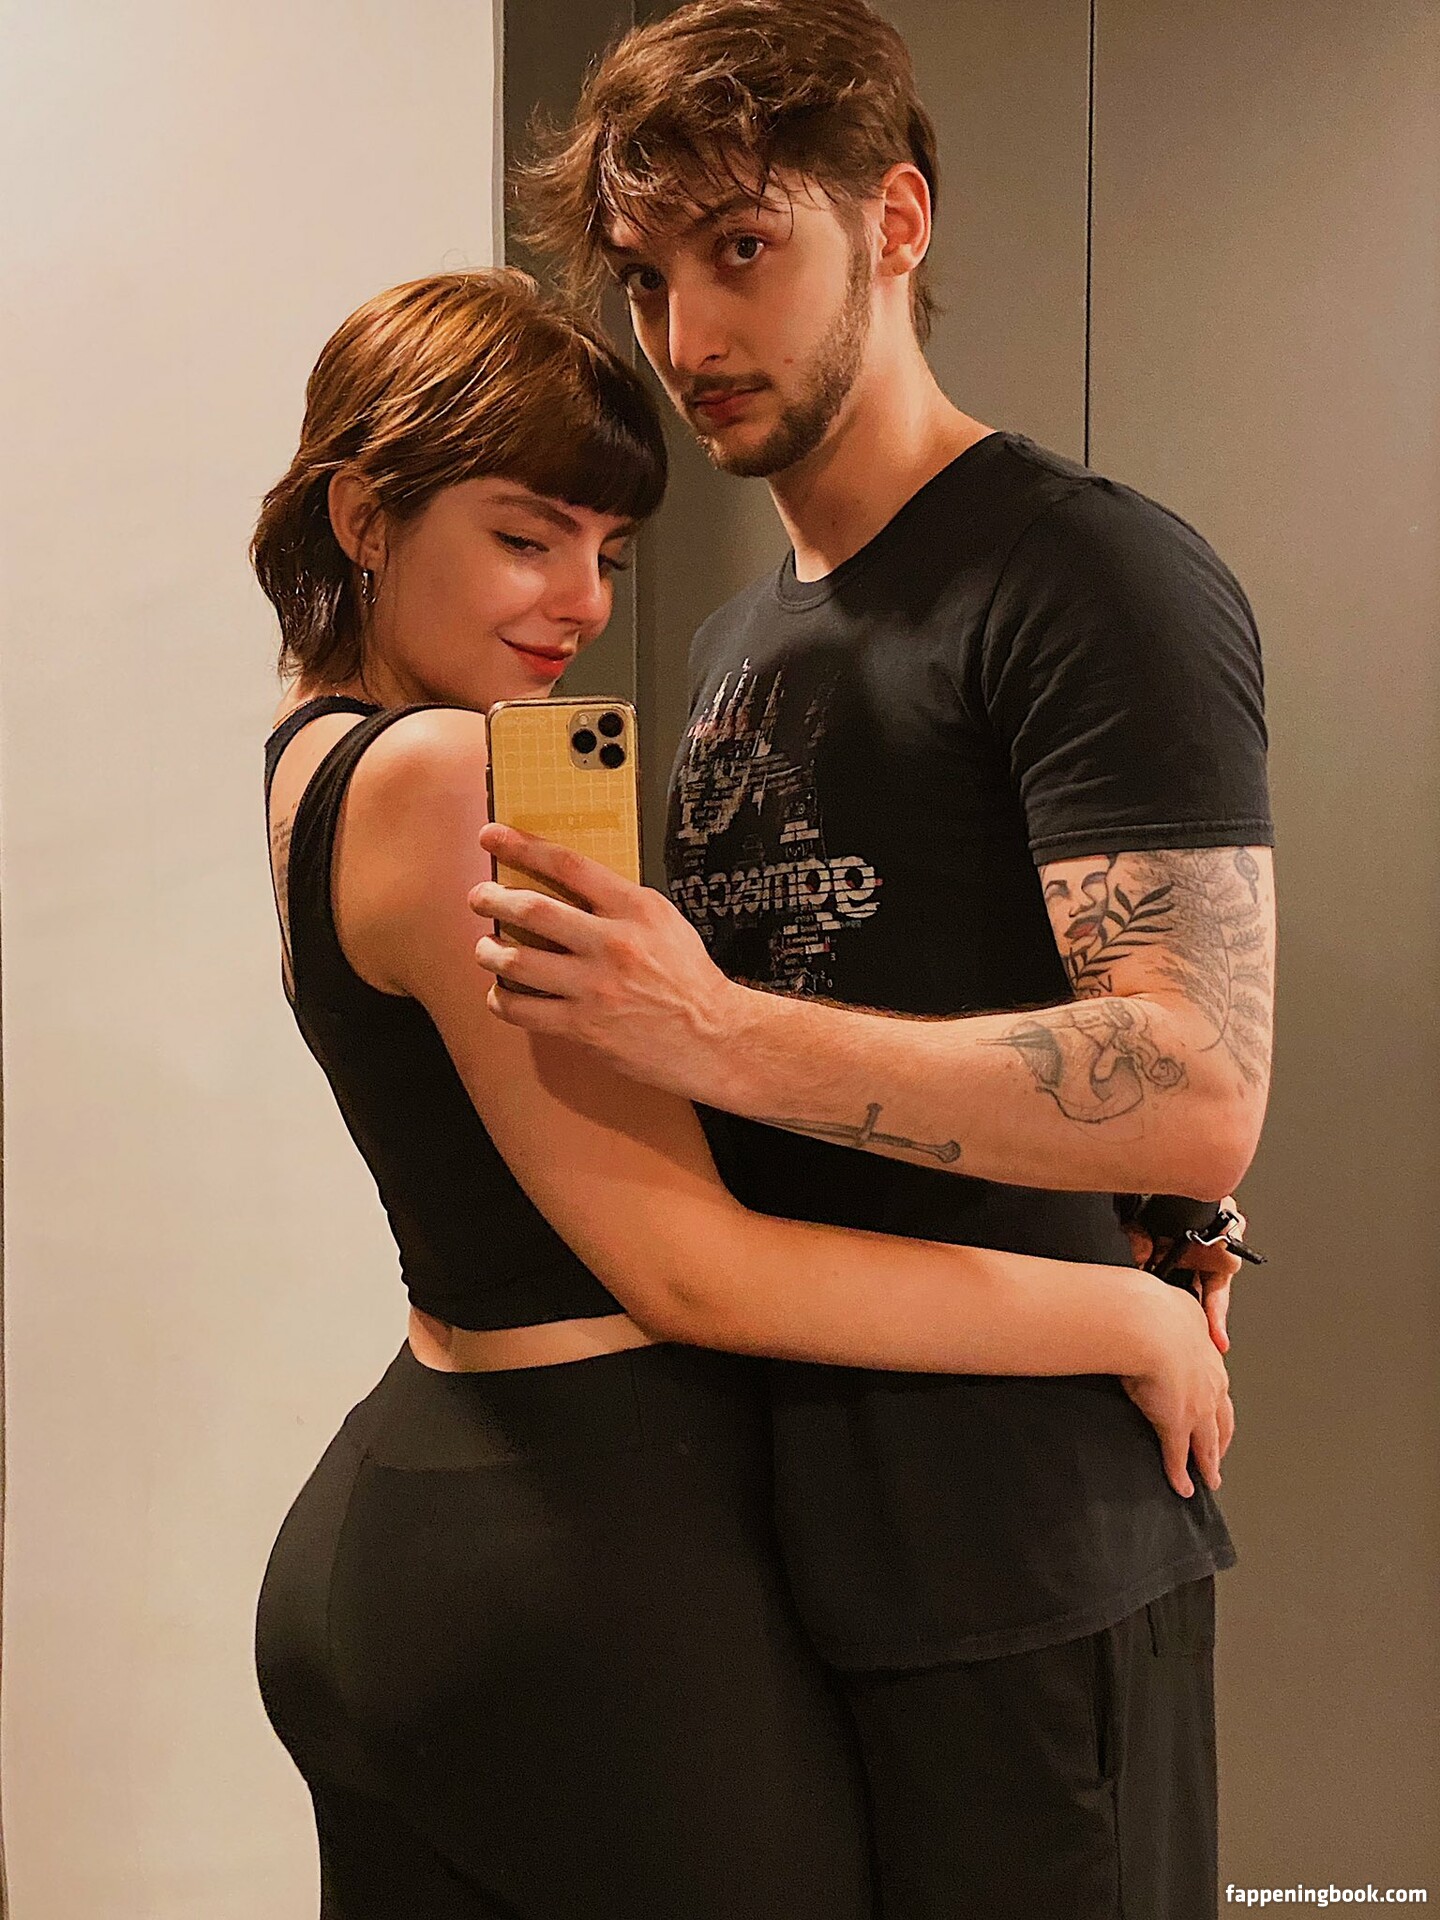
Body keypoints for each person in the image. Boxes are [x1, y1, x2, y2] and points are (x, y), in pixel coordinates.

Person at [251, 269, 1238, 1919]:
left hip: (419, 1528)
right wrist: (1124, 1317)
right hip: (576, 1555)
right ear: (365, 516)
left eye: (607, 552)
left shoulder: (315, 753)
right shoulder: (442, 774)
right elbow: (692, 1269)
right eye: (524, 537)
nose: (578, 600)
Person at [475, 5, 1278, 1916]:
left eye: (744, 247)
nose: (687, 335)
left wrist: (713, 1032)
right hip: (780, 1563)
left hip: (1025, 1569)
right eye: (648, 276)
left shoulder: (1087, 574)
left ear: (895, 222)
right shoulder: (737, 639)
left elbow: (1199, 1086)